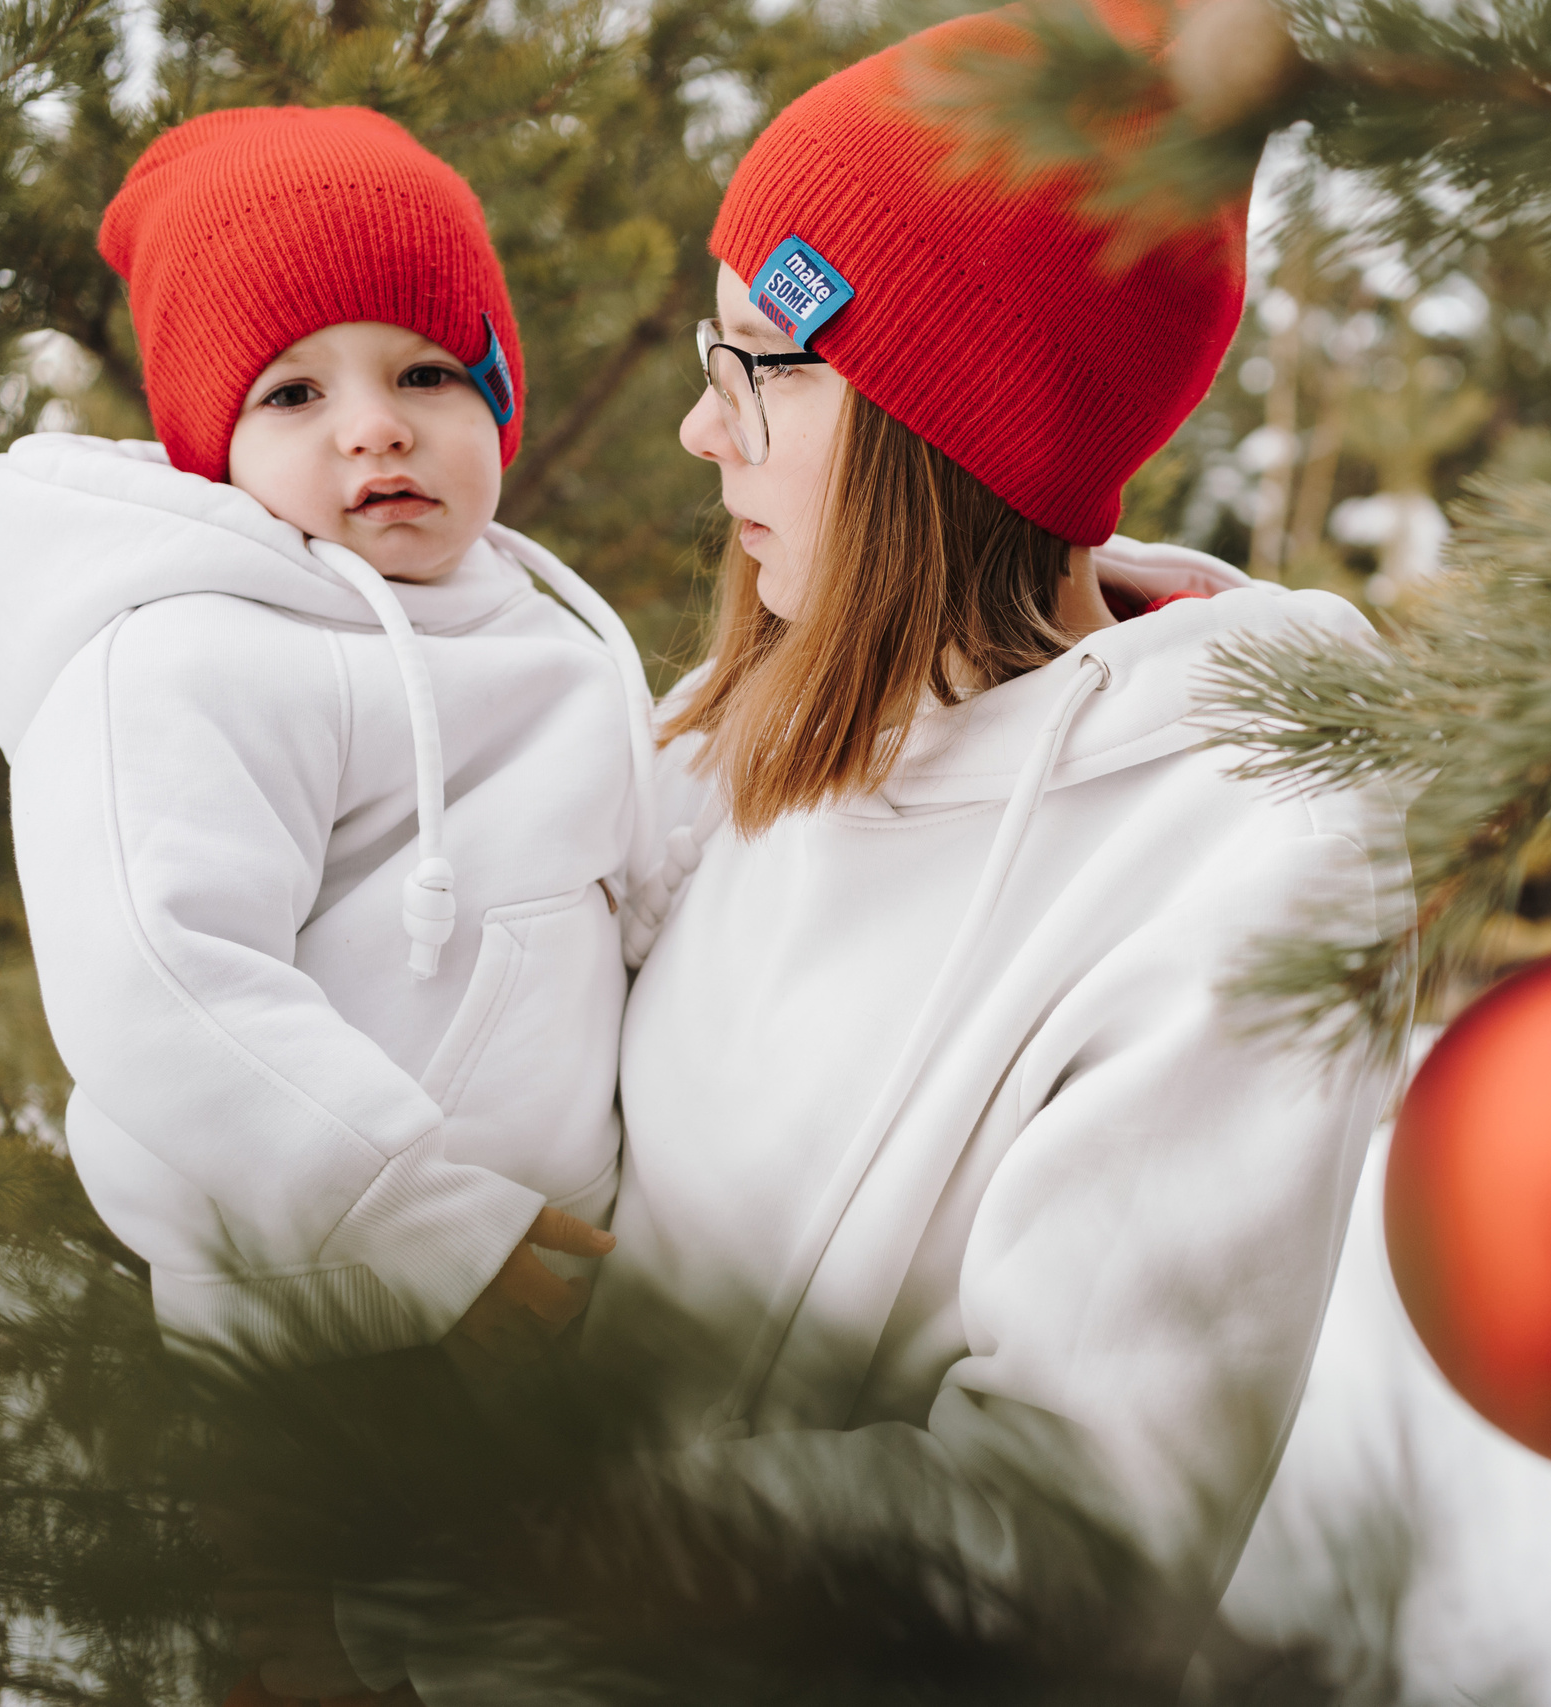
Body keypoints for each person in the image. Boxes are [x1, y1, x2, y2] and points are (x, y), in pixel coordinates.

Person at [576, 0, 1408, 1662]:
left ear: (938, 427)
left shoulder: (1238, 850)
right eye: (706, 353)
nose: (701, 426)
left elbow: (1074, 1542)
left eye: (764, 365)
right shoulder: (746, 726)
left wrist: (516, 1537)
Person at [0, 106, 644, 1373]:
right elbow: (159, 974)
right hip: (331, 1313)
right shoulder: (183, 656)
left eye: (424, 372)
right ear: (212, 450)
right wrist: (406, 1220)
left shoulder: (541, 637)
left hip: (554, 1290)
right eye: (293, 392)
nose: (374, 426)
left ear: (496, 390)